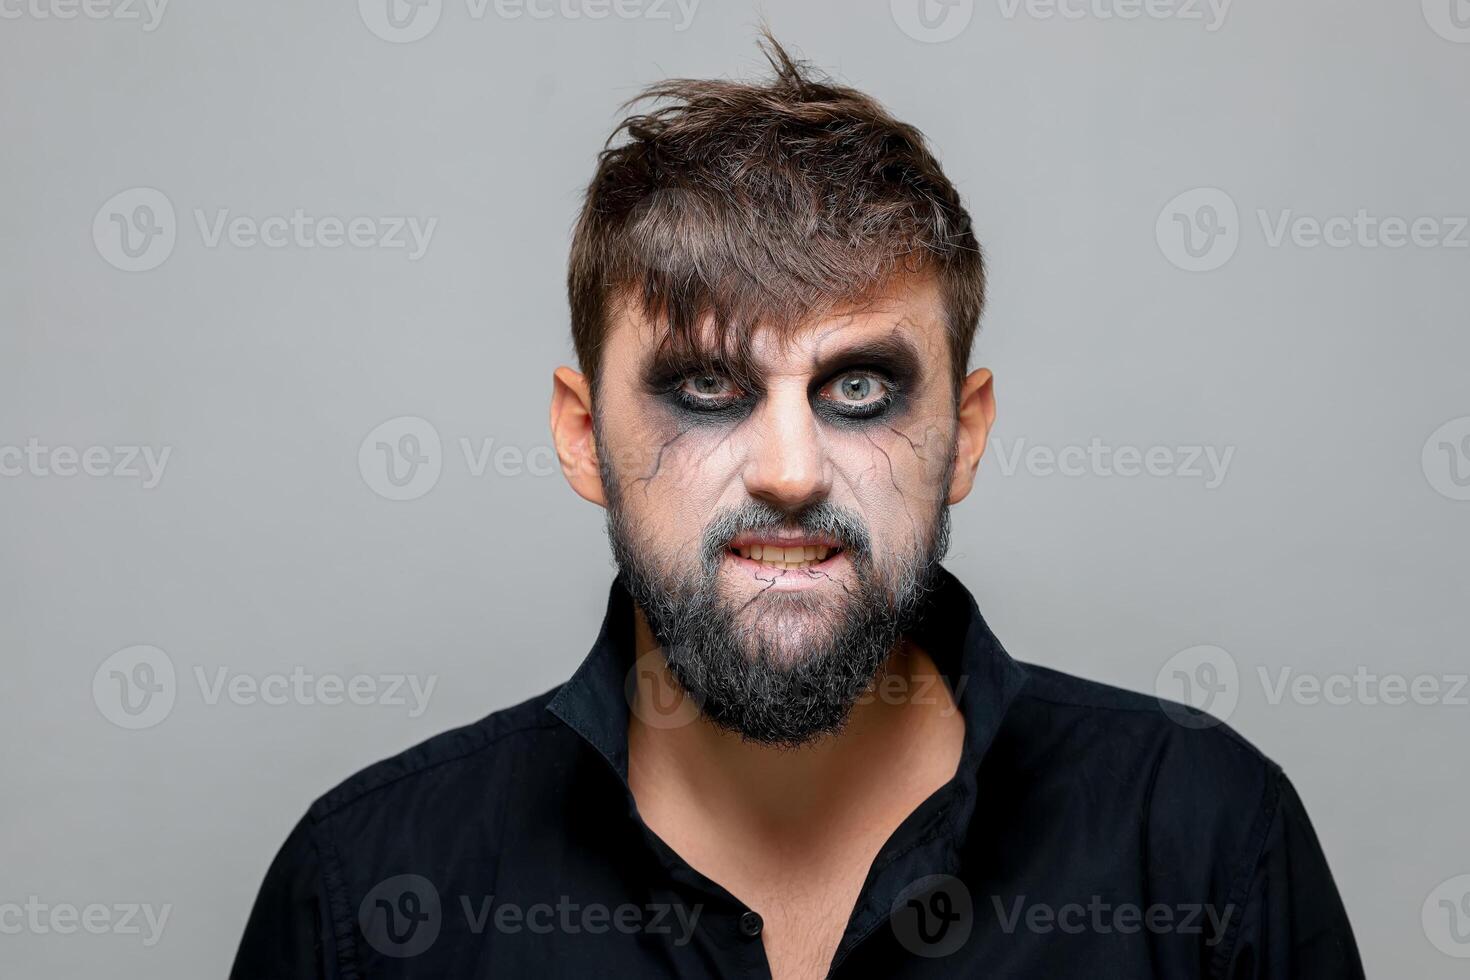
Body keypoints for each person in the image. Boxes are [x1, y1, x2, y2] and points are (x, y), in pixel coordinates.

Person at [230, 34, 1364, 980]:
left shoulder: (1207, 842)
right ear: (584, 436)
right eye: (708, 389)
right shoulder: (365, 891)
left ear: (963, 434)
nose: (788, 469)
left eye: (858, 389)